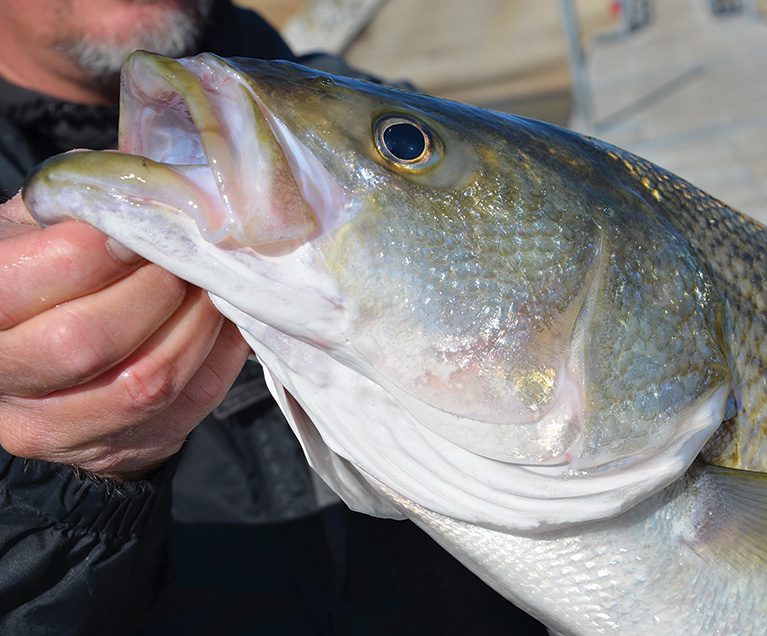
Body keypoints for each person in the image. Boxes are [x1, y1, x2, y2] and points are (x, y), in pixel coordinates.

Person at [0, 1, 548, 634]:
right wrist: (33, 488)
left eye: (406, 147)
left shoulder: (369, 106)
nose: (405, 144)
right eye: (404, 145)